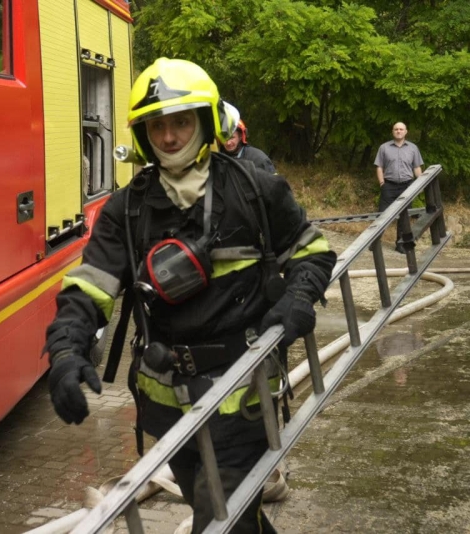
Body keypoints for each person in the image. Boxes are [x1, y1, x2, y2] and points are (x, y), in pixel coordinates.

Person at [44, 58, 336, 533]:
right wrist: (65, 349)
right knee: (231, 513)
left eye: (181, 122)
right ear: (143, 135)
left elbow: (315, 251)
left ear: (205, 120)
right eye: (157, 126)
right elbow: (90, 285)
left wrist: (298, 297)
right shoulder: (129, 208)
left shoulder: (255, 190)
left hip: (242, 393)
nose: (170, 137)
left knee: (216, 515)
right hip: (167, 405)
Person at [374, 122, 424, 253]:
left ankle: (401, 244)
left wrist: (421, 183)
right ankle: (374, 242)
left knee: (405, 217)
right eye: (396, 129)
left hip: (407, 186)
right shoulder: (384, 148)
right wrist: (381, 183)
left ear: (406, 132)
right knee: (382, 215)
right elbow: (379, 166)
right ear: (392, 131)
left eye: (401, 129)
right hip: (388, 185)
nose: (398, 131)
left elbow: (417, 168)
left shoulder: (413, 148)